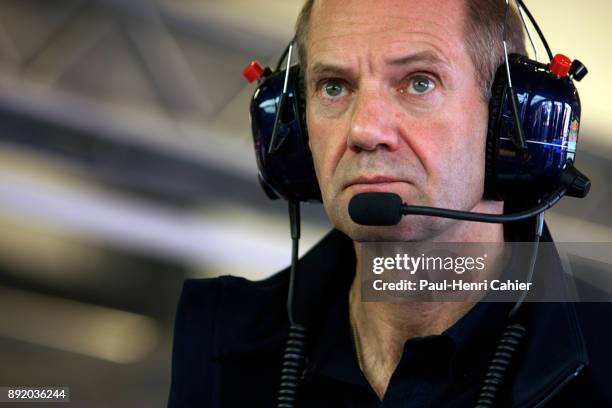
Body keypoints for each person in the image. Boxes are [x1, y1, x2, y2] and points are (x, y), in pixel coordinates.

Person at [168, 0, 612, 406]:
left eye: (419, 82)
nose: (364, 130)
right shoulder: (221, 345)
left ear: (511, 124)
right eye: (334, 87)